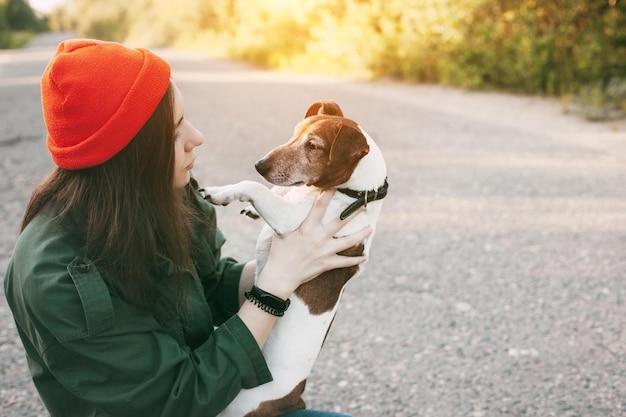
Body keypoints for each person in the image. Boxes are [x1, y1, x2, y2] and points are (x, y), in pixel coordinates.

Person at [3, 39, 371, 417]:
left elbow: (206, 286)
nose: (197, 137)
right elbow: (179, 398)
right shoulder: (57, 275)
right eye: (176, 129)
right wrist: (275, 284)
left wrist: (303, 258)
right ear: (131, 152)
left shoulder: (162, 192)